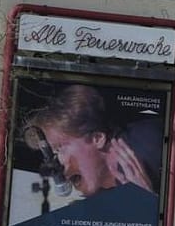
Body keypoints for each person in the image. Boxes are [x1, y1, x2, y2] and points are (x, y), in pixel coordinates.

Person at [22, 84, 160, 200]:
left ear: (97, 139)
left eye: (59, 149)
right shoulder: (107, 197)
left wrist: (148, 205)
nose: (57, 166)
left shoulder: (150, 143)